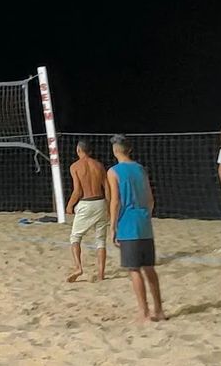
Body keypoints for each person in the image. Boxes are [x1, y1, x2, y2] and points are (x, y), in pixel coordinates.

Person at [108, 135, 165, 323]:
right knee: (149, 268)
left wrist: (113, 226)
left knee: (134, 269)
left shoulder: (114, 171)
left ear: (116, 150)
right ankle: (159, 310)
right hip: (144, 222)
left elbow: (115, 201)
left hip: (128, 223)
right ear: (129, 149)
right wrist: (145, 215)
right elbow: (150, 199)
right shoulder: (141, 169)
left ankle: (144, 312)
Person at [65, 139, 110, 282]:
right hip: (100, 202)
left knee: (75, 237)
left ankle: (78, 267)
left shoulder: (75, 167)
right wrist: (108, 206)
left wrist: (69, 205)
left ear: (78, 150)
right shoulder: (99, 165)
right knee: (101, 240)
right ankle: (101, 273)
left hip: (86, 203)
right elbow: (107, 188)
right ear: (90, 151)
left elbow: (77, 191)